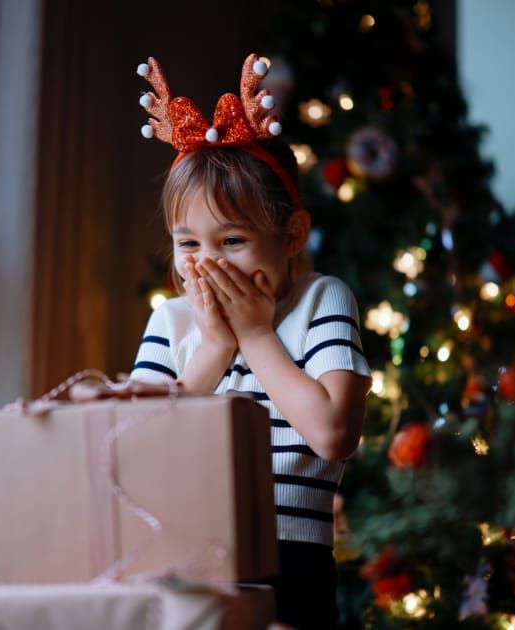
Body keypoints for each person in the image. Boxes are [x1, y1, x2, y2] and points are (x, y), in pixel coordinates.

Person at [131, 54, 370, 629]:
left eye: (232, 240)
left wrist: (257, 334)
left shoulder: (322, 301)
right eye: (189, 244)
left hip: (295, 562)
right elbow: (137, 448)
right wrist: (214, 348)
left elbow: (334, 435)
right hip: (188, 555)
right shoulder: (172, 321)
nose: (208, 263)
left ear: (291, 236)